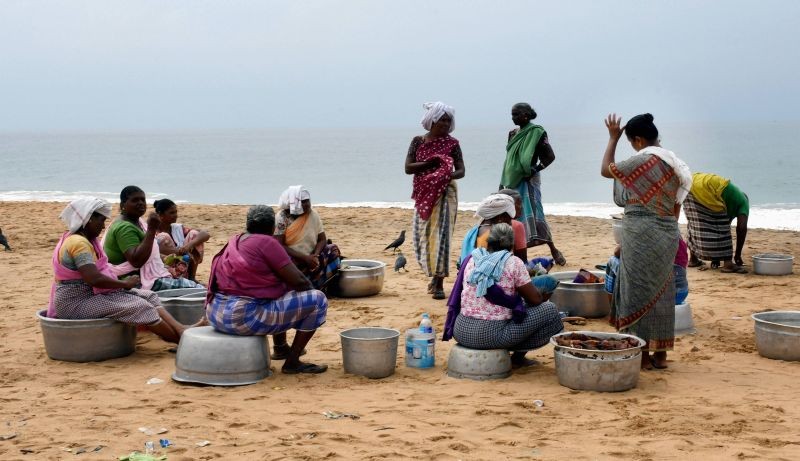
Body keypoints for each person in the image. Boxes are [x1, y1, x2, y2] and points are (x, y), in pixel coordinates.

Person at [600, 113, 692, 370]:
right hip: (667, 233)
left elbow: (606, 169)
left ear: (638, 140)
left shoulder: (644, 160)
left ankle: (641, 357)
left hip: (641, 232)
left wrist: (612, 139)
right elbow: (675, 208)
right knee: (662, 291)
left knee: (636, 292)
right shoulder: (676, 164)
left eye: (631, 142)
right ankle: (660, 355)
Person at [206, 205, 328, 374]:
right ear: (272, 227)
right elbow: (299, 281)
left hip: (216, 314)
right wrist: (305, 292)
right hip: (242, 318)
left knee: (279, 291)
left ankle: (280, 347)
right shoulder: (267, 242)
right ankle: (292, 362)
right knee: (318, 300)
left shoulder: (235, 240)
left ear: (247, 225)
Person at [47, 197, 185, 343]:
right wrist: (125, 284)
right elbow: (94, 279)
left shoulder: (83, 240)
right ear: (89, 219)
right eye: (101, 220)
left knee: (149, 296)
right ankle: (180, 341)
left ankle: (180, 329)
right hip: (75, 302)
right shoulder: (78, 243)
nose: (102, 226)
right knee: (142, 307)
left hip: (90, 295)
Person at [445, 223, 563, 368]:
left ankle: (516, 354)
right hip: (491, 335)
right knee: (549, 310)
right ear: (512, 244)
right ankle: (518, 357)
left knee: (518, 305)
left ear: (489, 241)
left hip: (461, 329)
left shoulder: (472, 258)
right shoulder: (513, 263)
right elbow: (535, 299)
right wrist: (543, 295)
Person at [405, 101, 466, 300]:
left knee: (442, 238)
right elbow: (408, 168)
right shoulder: (418, 141)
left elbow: (461, 170)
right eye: (442, 120)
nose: (446, 124)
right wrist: (430, 164)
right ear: (432, 121)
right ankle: (433, 275)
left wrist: (445, 174)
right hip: (424, 194)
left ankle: (439, 281)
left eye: (449, 121)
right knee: (423, 237)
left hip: (446, 194)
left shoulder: (453, 144)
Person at [500, 102, 566, 266]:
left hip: (529, 180)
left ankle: (553, 249)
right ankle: (519, 255)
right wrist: (503, 182)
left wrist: (535, 169)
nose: (513, 117)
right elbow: (510, 160)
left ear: (526, 115)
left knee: (536, 215)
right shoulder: (512, 134)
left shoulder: (537, 132)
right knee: (513, 217)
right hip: (512, 180)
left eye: (517, 114)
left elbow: (550, 156)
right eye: (512, 114)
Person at [103, 186, 203, 291]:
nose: (141, 203)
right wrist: (151, 229)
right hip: (134, 280)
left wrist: (165, 258)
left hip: (145, 273)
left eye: (143, 199)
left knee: (181, 277)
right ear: (123, 204)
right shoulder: (125, 227)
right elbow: (136, 261)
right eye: (135, 200)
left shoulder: (136, 222)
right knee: (197, 289)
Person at [273, 186, 341, 292]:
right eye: (303, 202)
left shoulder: (313, 214)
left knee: (333, 250)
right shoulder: (282, 217)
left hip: (312, 255)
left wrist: (315, 256)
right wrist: (305, 258)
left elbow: (322, 239)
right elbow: (279, 245)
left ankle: (317, 285)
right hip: (293, 258)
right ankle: (305, 287)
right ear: (294, 203)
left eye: (307, 201)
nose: (307, 204)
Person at [683, 172, 750, 273]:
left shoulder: (730, 198)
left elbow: (716, 227)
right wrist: (737, 255)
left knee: (695, 221)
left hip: (689, 184)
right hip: (707, 187)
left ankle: (693, 259)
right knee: (723, 229)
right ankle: (728, 265)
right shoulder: (743, 202)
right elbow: (741, 228)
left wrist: (716, 259)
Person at [154, 198, 210, 281]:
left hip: (184, 262)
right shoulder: (152, 231)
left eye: (176, 212)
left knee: (194, 234)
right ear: (160, 215)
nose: (175, 215)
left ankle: (191, 278)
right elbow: (156, 250)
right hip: (164, 266)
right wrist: (180, 252)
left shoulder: (177, 228)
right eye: (171, 213)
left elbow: (205, 234)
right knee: (164, 237)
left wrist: (188, 245)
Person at [458, 194, 517, 267]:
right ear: (500, 217)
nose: (511, 222)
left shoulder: (473, 231)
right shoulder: (493, 235)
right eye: (509, 218)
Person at [499, 189, 529, 262]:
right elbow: (522, 260)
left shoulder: (482, 225)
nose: (521, 207)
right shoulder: (516, 226)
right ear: (508, 206)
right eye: (518, 204)